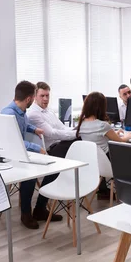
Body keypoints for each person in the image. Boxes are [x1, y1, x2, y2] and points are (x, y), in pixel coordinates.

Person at [1, 81, 61, 230]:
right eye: (34, 97)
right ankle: (26, 214)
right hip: (11, 155)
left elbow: (24, 124)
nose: (35, 100)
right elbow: (15, 141)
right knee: (31, 175)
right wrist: (37, 148)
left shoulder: (20, 111)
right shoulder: (9, 114)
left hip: (20, 153)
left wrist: (34, 129)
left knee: (54, 169)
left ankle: (40, 209)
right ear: (29, 99)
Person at [27, 81, 79, 210]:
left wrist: (75, 131)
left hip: (58, 145)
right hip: (47, 150)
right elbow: (52, 133)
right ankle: (42, 206)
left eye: (47, 96)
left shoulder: (48, 111)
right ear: (35, 96)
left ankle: (69, 187)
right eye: (42, 96)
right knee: (78, 144)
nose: (45, 99)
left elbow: (61, 127)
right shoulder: (34, 113)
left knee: (79, 142)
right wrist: (76, 134)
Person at [76, 92, 131, 198]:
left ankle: (103, 191)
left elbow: (98, 139)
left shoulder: (82, 124)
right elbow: (120, 141)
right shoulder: (103, 125)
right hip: (109, 164)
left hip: (94, 163)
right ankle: (128, 192)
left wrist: (114, 134)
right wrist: (129, 136)